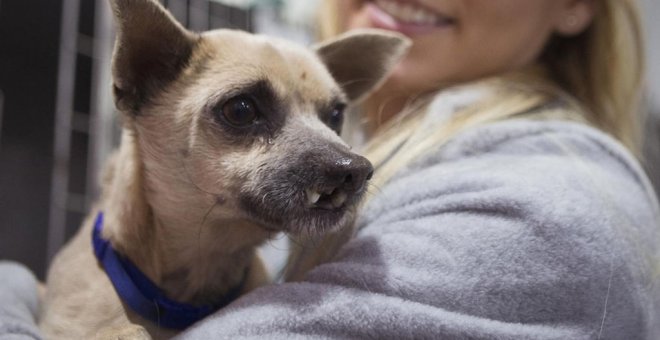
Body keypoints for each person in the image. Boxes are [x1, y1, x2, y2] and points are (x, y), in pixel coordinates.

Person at [1, 0, 659, 338]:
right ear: (139, 83)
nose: (345, 166)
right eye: (240, 112)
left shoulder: (542, 210)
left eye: (331, 116)